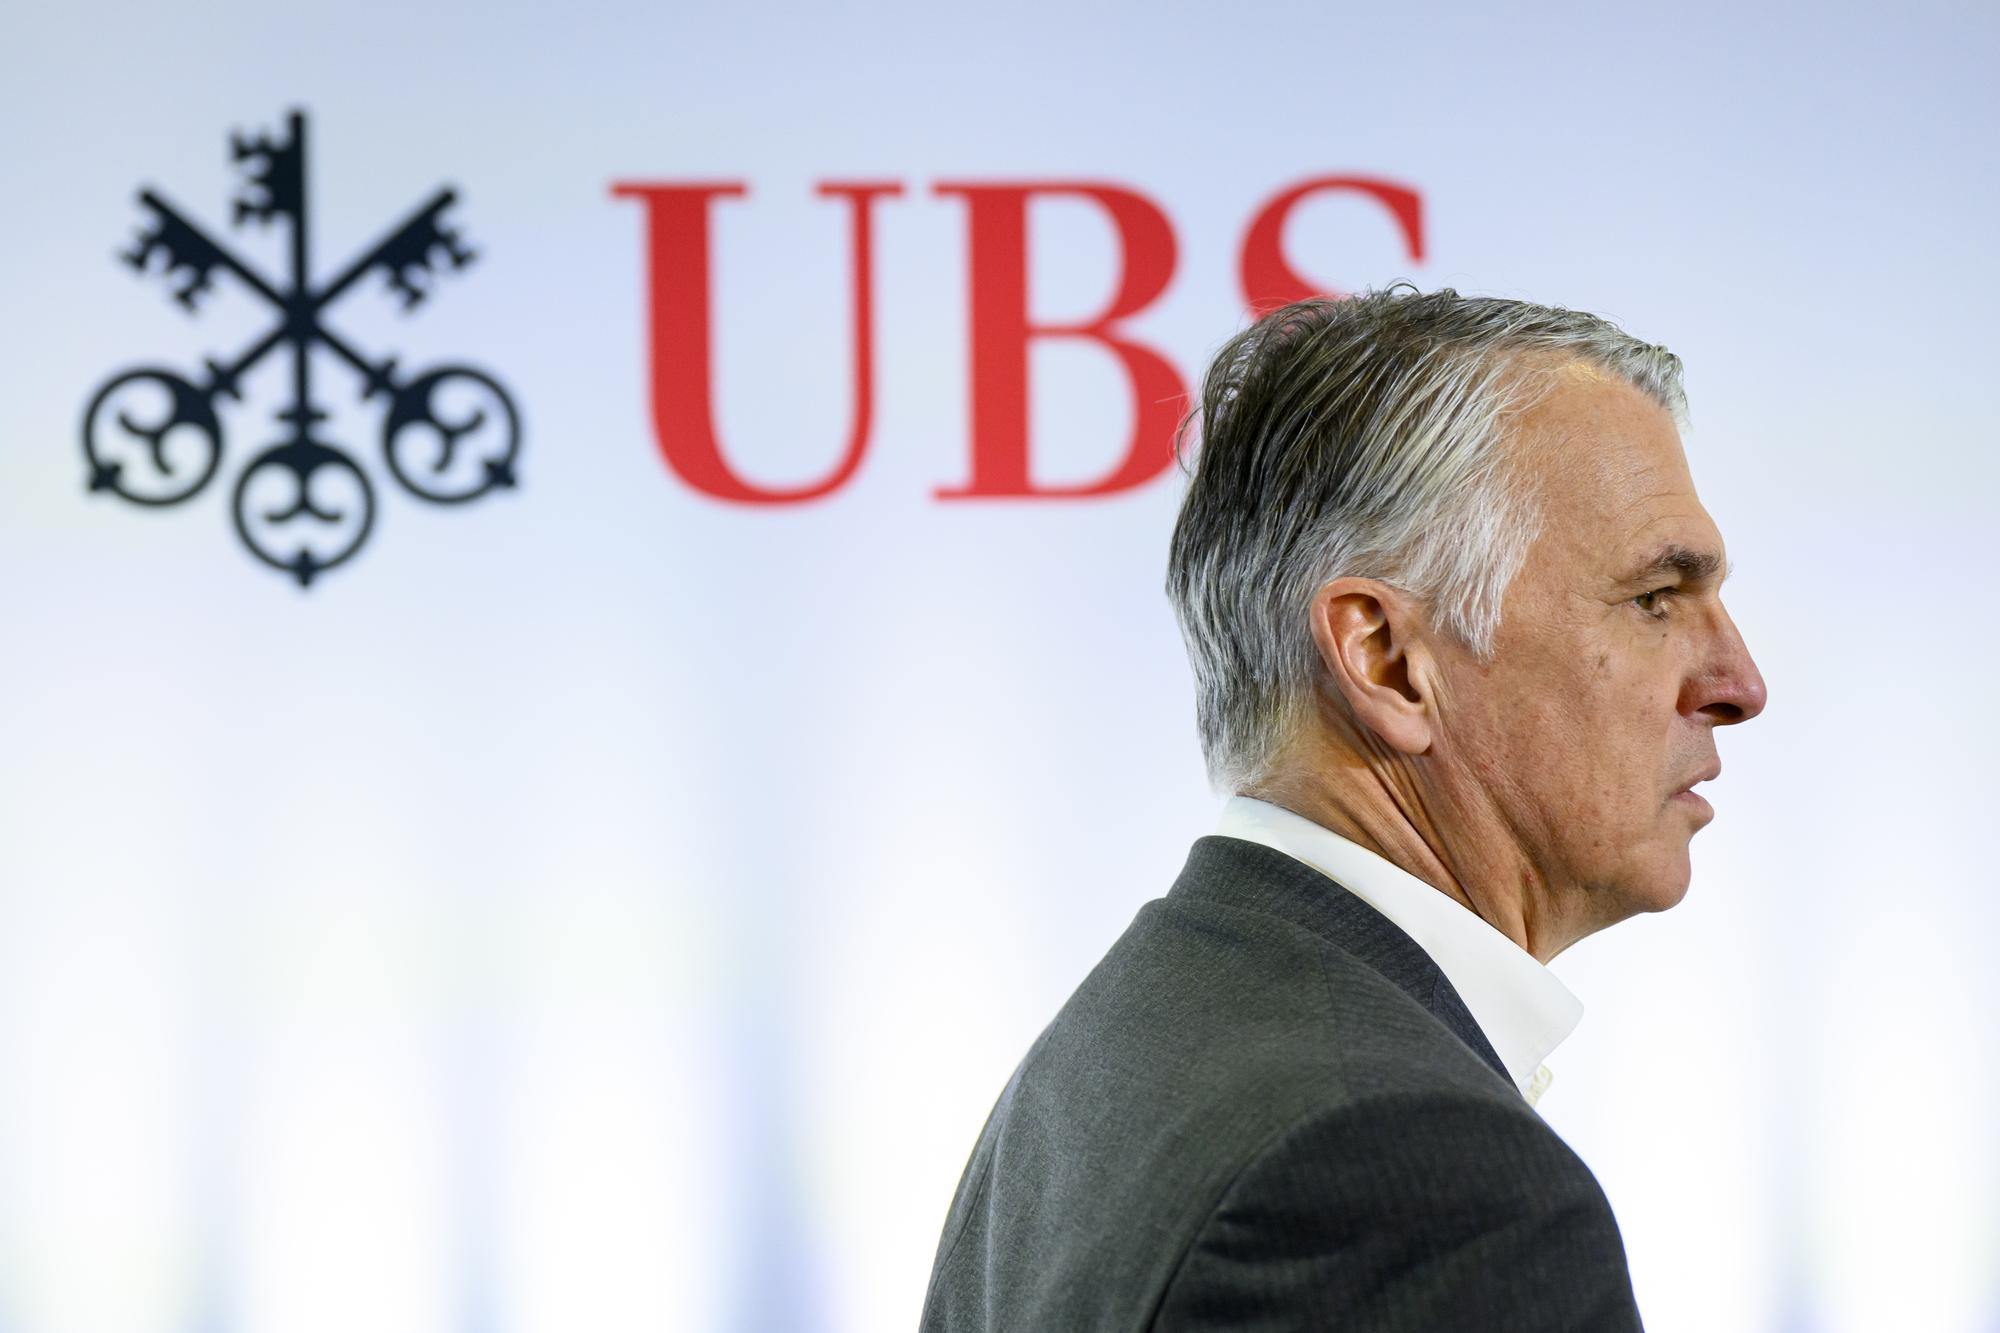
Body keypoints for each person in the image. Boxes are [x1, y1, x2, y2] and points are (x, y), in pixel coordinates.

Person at [918, 288, 1767, 1330]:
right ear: (1386, 659)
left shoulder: (1119, 1045)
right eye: (1654, 599)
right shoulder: (1422, 1181)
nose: (1737, 681)